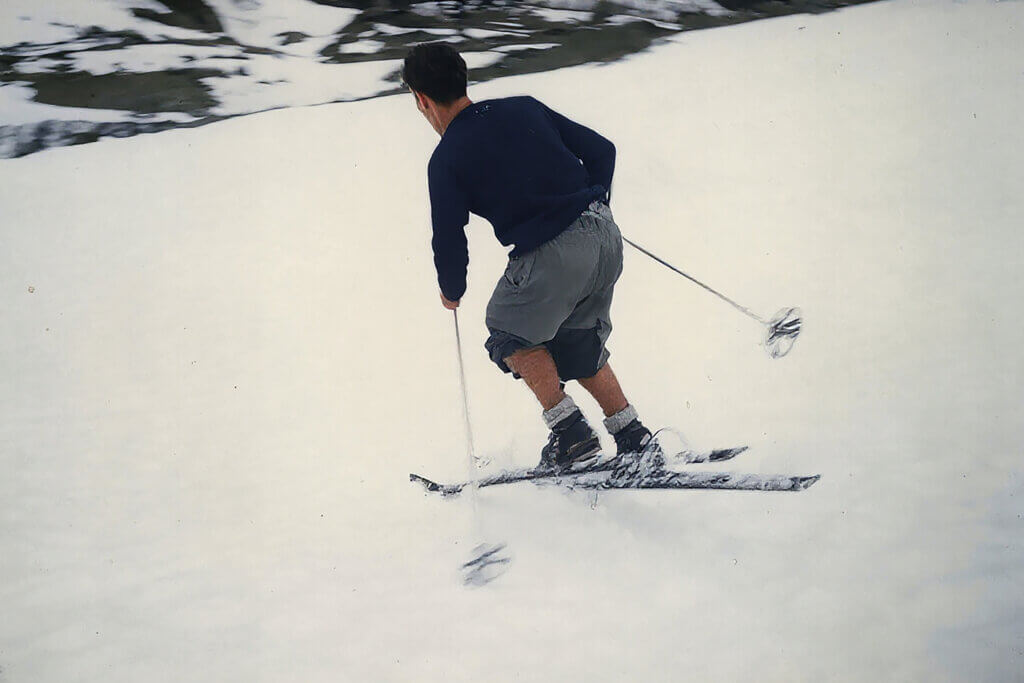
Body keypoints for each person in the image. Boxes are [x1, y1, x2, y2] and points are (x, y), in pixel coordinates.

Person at [402, 42, 657, 472]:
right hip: (606, 239)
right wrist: (593, 211)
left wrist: (452, 290)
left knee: (507, 330)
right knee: (575, 339)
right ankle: (632, 435)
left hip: (555, 254)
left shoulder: (445, 158)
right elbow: (602, 151)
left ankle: (571, 433)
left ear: (422, 99)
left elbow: (449, 236)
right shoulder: (523, 106)